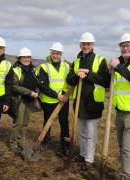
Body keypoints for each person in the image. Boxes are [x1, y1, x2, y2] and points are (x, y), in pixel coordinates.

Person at [66, 32, 110, 170]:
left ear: (92, 45)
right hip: (79, 103)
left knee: (90, 133)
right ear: (80, 45)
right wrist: (76, 74)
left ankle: (89, 160)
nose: (86, 46)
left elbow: (106, 81)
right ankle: (83, 154)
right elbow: (69, 79)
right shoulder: (76, 61)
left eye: (88, 44)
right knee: (81, 132)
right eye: (83, 44)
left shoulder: (100, 60)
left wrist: (89, 73)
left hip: (93, 103)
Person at [38, 42, 71, 156]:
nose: (55, 56)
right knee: (48, 121)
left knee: (64, 123)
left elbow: (70, 82)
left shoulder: (67, 66)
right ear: (50, 53)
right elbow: (43, 86)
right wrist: (57, 96)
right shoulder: (44, 67)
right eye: (53, 53)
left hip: (63, 101)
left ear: (61, 54)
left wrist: (65, 95)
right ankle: (45, 141)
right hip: (49, 100)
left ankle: (65, 145)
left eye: (58, 54)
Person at [9, 47, 39, 153]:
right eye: (24, 57)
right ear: (20, 58)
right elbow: (14, 86)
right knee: (18, 122)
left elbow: (37, 82)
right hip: (20, 100)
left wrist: (37, 91)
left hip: (30, 100)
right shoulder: (15, 70)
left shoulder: (33, 69)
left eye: (28, 57)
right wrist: (30, 92)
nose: (26, 59)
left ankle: (21, 142)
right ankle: (13, 144)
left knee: (25, 123)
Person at [109, 33, 130, 180]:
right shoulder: (121, 65)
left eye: (128, 45)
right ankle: (124, 171)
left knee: (127, 150)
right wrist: (109, 70)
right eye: (123, 45)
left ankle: (126, 175)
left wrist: (118, 67)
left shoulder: (121, 66)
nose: (125, 48)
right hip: (120, 112)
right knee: (122, 147)